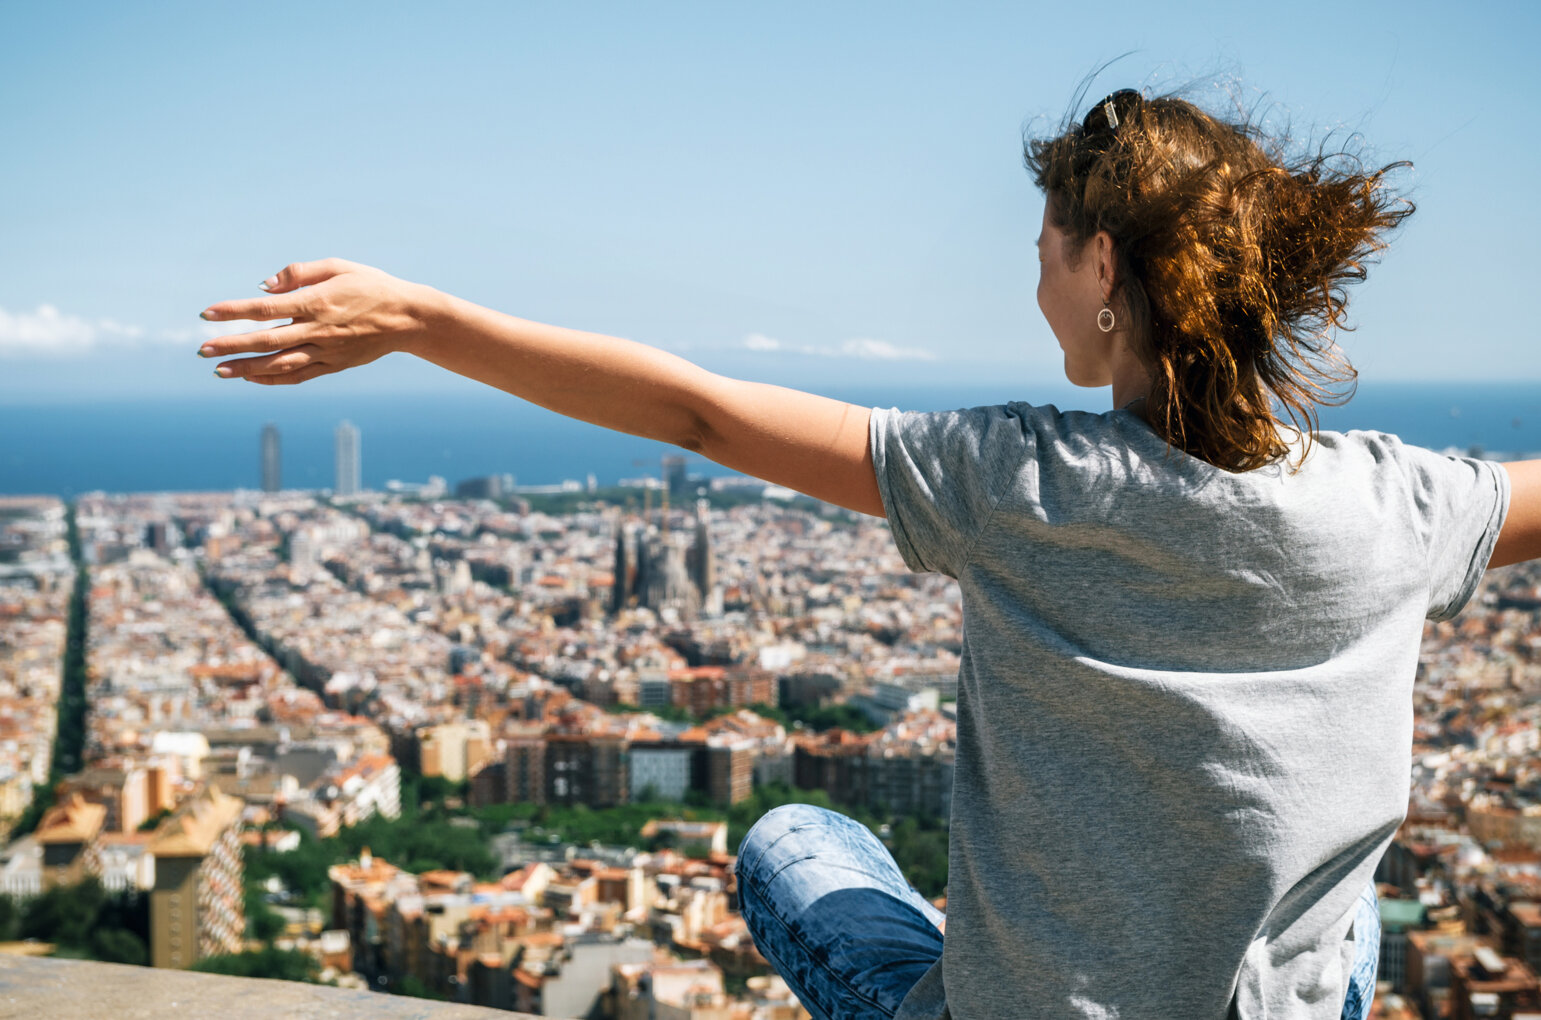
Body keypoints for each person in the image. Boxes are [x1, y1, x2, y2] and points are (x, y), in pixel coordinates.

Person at [199, 87, 1541, 1019]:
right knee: (1341, 913)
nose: (1032, 284)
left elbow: (697, 411)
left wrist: (424, 316)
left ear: (1104, 274)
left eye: (1042, 250)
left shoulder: (1014, 481)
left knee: (790, 838)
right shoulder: (1403, 508)